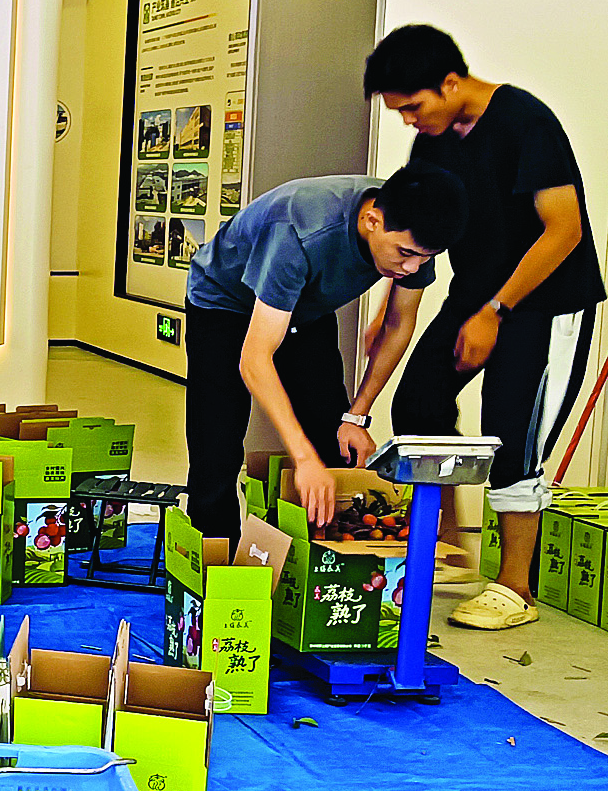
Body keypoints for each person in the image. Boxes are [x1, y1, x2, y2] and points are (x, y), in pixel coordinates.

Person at [370, 24, 605, 629]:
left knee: (513, 436)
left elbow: (564, 230)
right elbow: (423, 227)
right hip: (476, 296)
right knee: (419, 404)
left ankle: (515, 588)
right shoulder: (436, 140)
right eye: (398, 112)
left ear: (451, 83)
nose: (408, 121)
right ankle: (447, 542)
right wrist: (391, 309)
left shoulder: (527, 121)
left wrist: (495, 313)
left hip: (547, 303)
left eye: (413, 107)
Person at [182, 166, 467, 544]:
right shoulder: (298, 230)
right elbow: (255, 359)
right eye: (405, 253)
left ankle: (324, 567)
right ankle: (213, 570)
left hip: (305, 309)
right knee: (216, 444)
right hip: (224, 303)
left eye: (424, 258)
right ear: (371, 221)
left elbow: (397, 326)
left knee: (335, 440)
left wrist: (357, 415)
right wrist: (302, 458)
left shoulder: (411, 229)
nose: (411, 268)